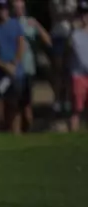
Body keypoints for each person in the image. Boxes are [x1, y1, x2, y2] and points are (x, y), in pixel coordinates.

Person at [0, 0, 26, 134]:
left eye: (4, 8)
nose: (2, 11)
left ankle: (16, 134)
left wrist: (14, 63)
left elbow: (20, 44)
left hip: (15, 72)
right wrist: (3, 65)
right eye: (0, 9)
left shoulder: (15, 24)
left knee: (15, 106)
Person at [14, 0, 51, 132]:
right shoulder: (9, 23)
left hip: (28, 67)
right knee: (15, 103)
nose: (19, 10)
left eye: (21, 7)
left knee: (27, 102)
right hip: (13, 67)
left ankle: (28, 130)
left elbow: (47, 40)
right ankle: (16, 133)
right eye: (16, 7)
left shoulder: (30, 23)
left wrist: (38, 26)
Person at [50, 0, 77, 114]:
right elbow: (54, 14)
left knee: (68, 70)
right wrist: (67, 13)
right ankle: (57, 100)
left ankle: (67, 100)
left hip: (70, 36)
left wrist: (65, 14)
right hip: (57, 36)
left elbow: (75, 15)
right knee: (58, 69)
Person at [69, 2, 88, 132]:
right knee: (77, 110)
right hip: (79, 76)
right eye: (81, 14)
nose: (84, 17)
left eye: (86, 14)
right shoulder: (74, 35)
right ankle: (73, 137)